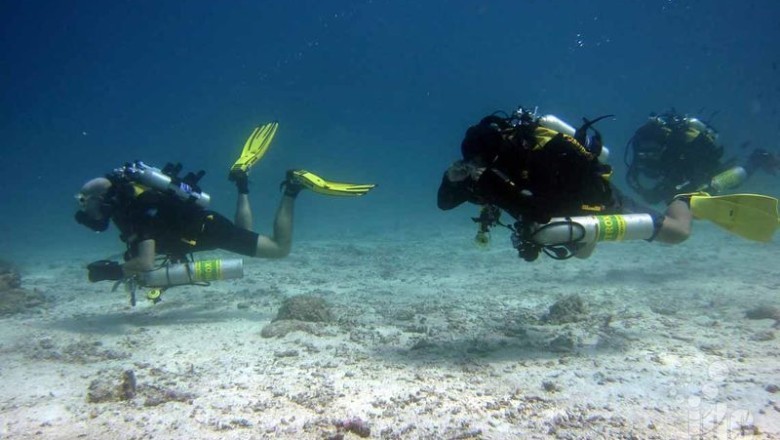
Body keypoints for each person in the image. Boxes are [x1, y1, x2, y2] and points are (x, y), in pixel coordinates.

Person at [76, 122, 374, 286]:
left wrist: (112, 272)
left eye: (85, 203)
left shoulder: (137, 212)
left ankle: (293, 187)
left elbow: (145, 262)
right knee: (244, 230)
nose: (86, 211)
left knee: (279, 249)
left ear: (103, 200)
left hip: (210, 231)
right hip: (208, 226)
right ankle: (242, 182)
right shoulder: (136, 199)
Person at [437, 107, 694, 261]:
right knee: (581, 253)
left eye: (485, 162)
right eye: (473, 163)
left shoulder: (540, 155)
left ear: (501, 151)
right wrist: (451, 180)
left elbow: (542, 209)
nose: (479, 169)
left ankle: (683, 198)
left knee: (678, 233)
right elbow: (445, 204)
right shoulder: (488, 171)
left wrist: (496, 186)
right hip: (566, 218)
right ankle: (586, 239)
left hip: (598, 200)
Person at [625, 110, 779, 205]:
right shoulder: (640, 146)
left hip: (700, 164)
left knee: (717, 185)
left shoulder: (679, 146)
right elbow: (633, 176)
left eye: (653, 151)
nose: (647, 156)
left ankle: (757, 159)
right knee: (669, 196)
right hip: (679, 171)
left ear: (663, 147)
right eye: (644, 152)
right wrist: (647, 192)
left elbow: (694, 174)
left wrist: (677, 190)